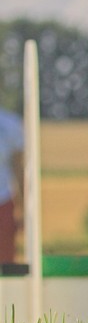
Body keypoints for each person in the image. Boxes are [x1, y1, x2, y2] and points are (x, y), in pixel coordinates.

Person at [0, 107, 24, 263]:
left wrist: (22, 207)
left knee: (5, 262)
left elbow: (18, 168)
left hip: (3, 200)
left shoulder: (10, 124)